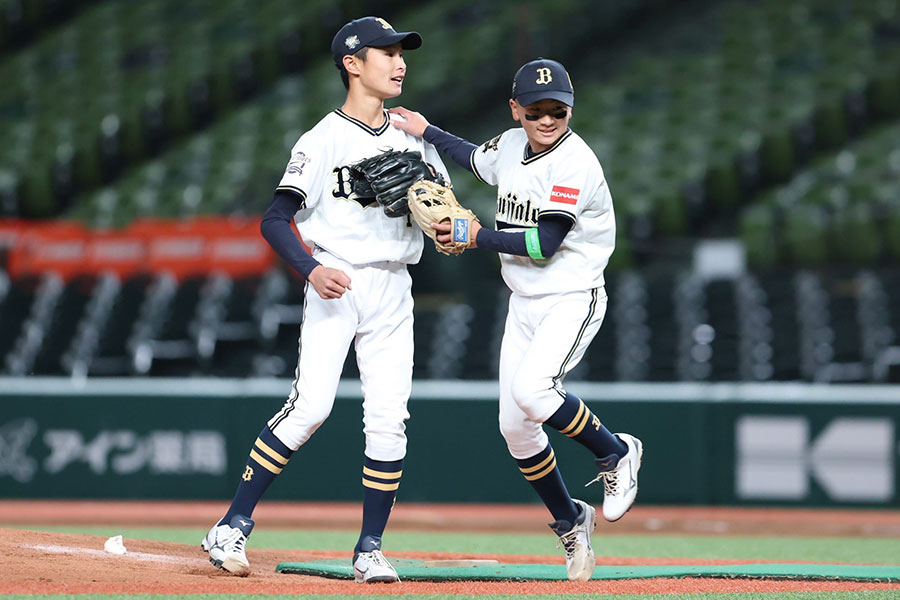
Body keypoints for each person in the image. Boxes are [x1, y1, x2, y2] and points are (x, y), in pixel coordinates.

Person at [201, 16, 450, 584]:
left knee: (389, 420)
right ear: (352, 64)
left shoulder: (413, 136)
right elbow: (275, 219)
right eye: (387, 53)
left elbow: (442, 208)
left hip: (395, 286)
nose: (400, 62)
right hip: (339, 280)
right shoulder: (321, 140)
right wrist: (311, 269)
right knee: (310, 407)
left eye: (402, 53)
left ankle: (369, 549)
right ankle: (232, 525)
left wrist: (448, 225)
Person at [388, 58, 643, 581]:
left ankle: (616, 451)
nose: (547, 120)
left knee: (533, 391)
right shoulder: (509, 144)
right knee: (515, 428)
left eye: (557, 111)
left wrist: (474, 235)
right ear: (515, 109)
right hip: (524, 301)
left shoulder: (575, 164)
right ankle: (571, 520)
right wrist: (426, 130)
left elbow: (544, 243)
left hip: (570, 296)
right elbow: (472, 157)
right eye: (535, 110)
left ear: (570, 110)